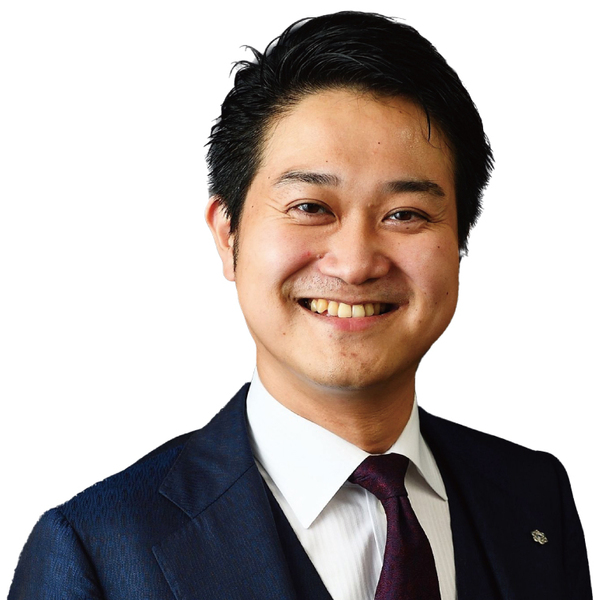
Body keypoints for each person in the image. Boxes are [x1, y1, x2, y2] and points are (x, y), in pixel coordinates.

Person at [9, 11, 592, 600]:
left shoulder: (533, 497)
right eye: (311, 207)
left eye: (406, 214)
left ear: (460, 240)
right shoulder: (95, 551)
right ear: (228, 236)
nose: (356, 263)